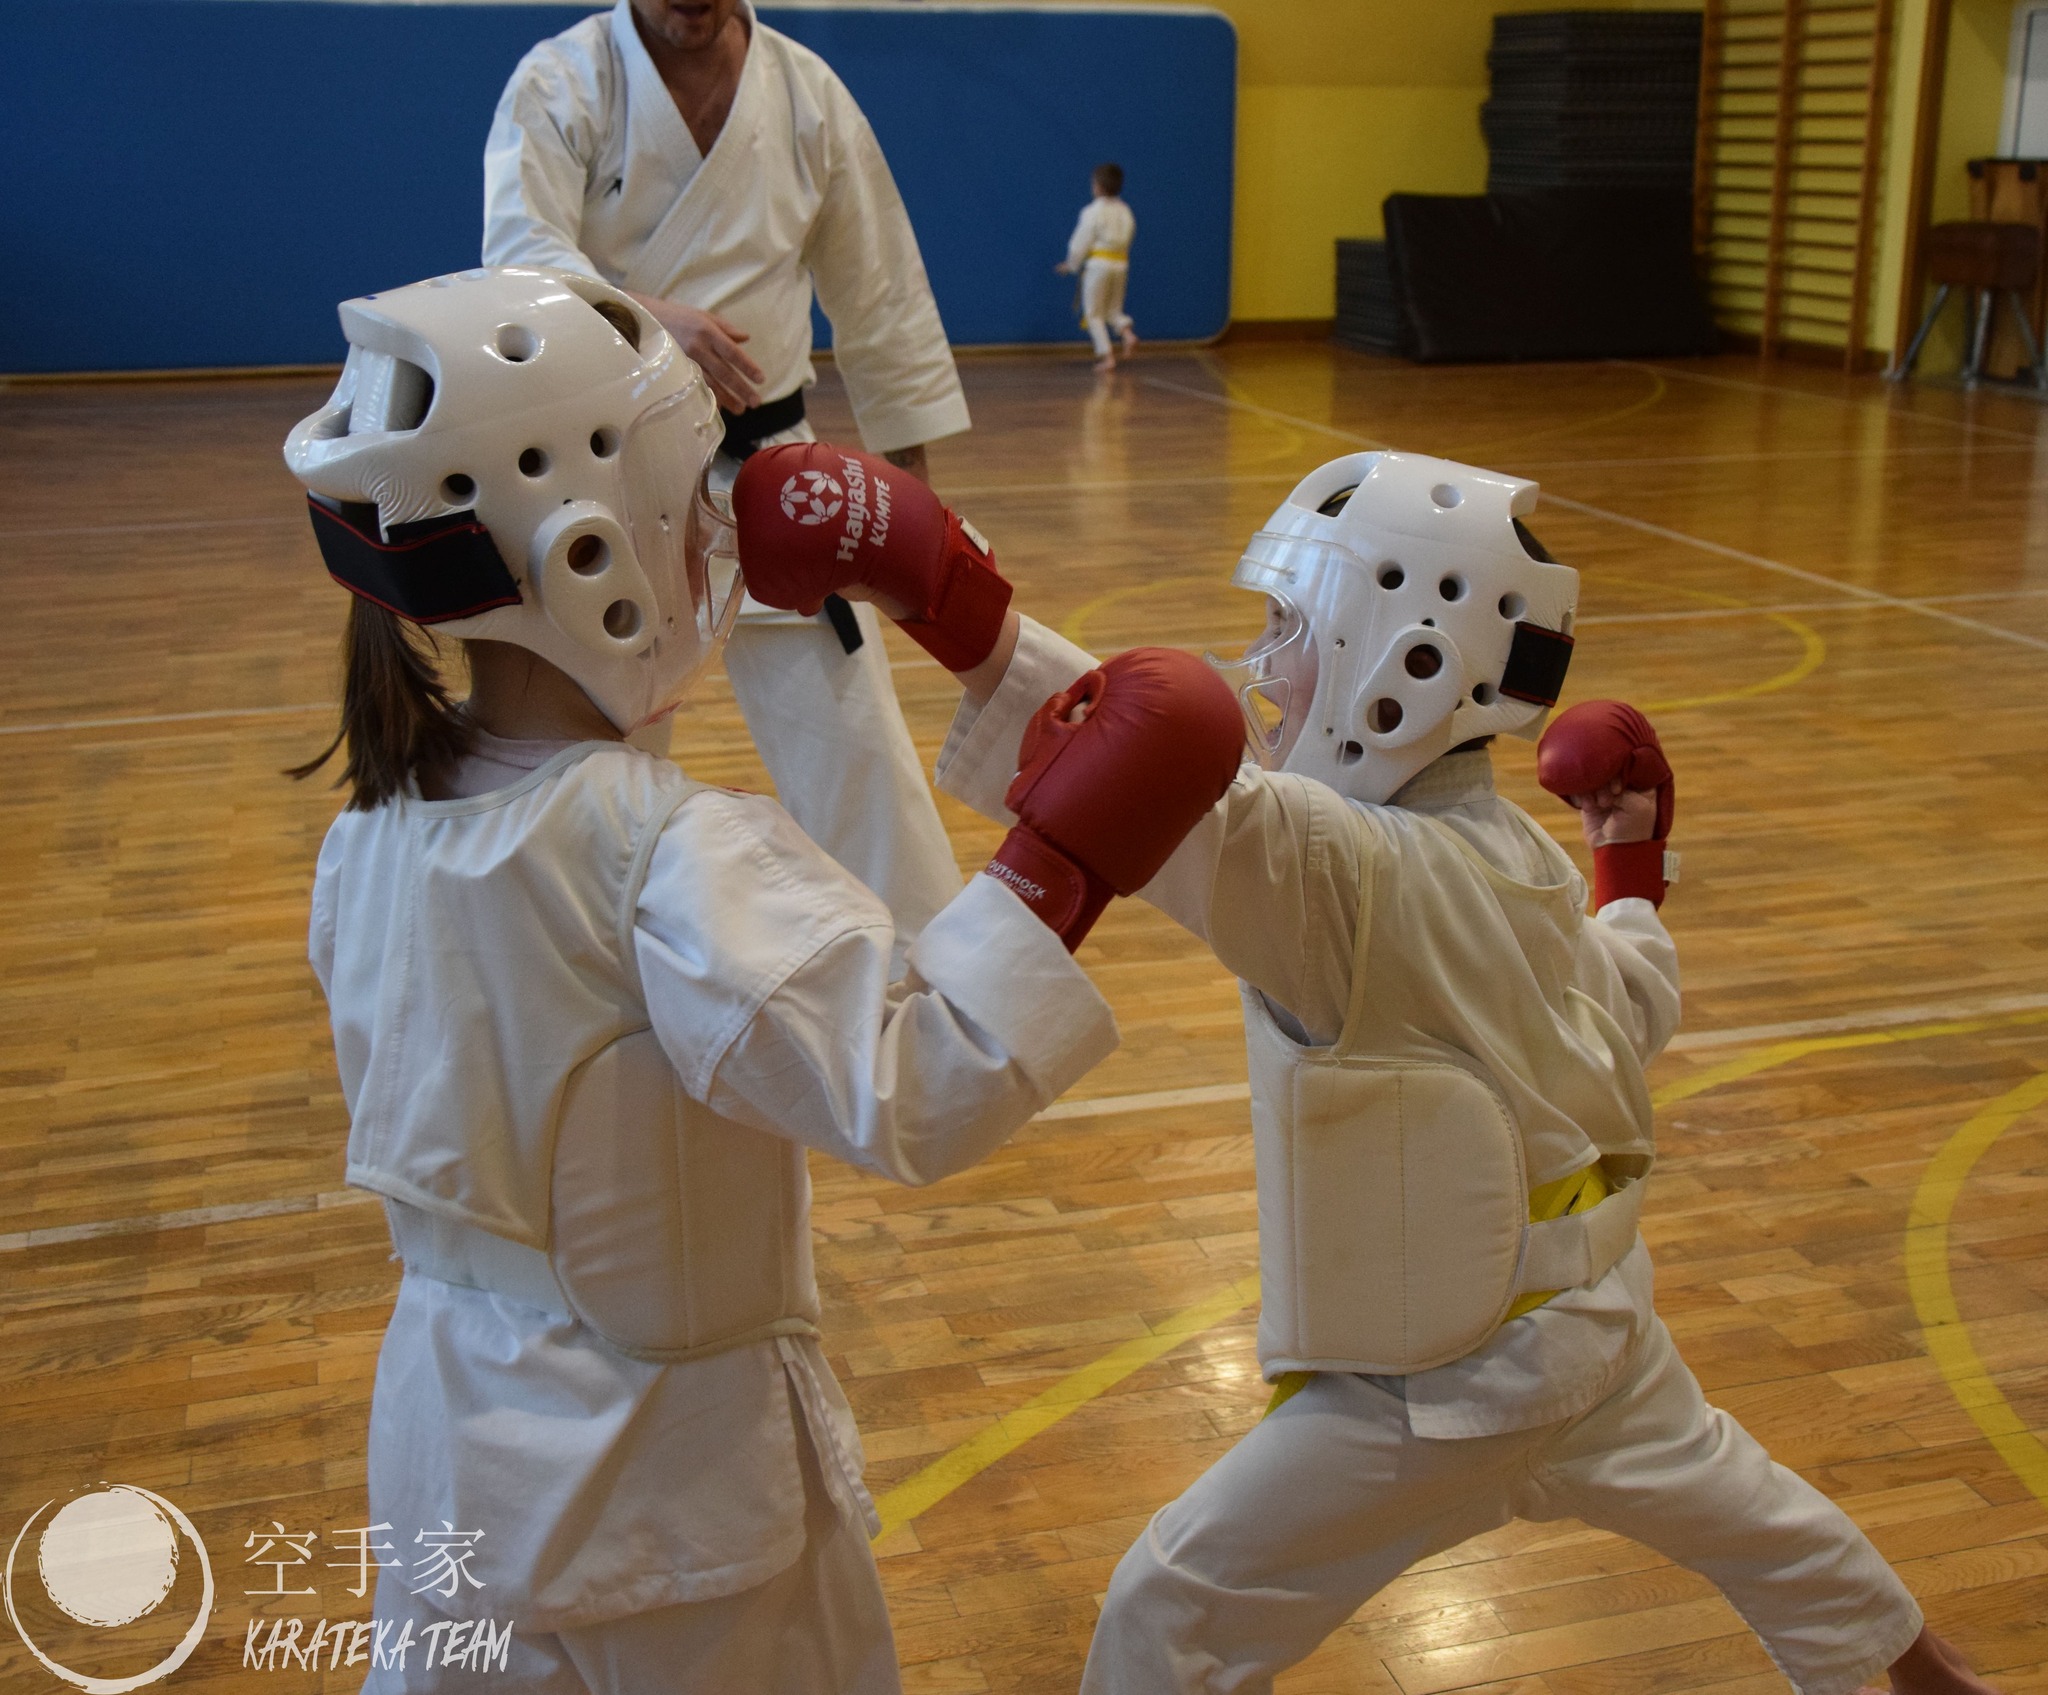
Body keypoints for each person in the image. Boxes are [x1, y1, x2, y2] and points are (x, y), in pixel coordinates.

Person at [731, 440, 2004, 1695]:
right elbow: (1631, 1004)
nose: (1262, 666)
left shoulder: (1344, 873)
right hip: (1606, 1339)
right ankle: (1927, 1677)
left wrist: (956, 602)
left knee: (1170, 1610)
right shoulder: (1517, 855)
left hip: (1437, 1393)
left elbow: (1166, 767)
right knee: (1767, 1530)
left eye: (1287, 623)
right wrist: (1627, 857)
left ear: (1403, 657)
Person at [283, 267, 1243, 1693]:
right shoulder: (668, 854)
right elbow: (926, 1082)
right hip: (672, 1509)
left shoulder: (366, 836)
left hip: (454, 1452)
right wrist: (1066, 854)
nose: (720, 546)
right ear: (597, 564)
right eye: (693, 516)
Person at [483, 0, 969, 950]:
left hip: (774, 473)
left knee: (858, 745)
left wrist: (909, 467)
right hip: (609, 472)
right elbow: (516, 255)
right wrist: (643, 315)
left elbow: (879, 282)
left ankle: (923, 970)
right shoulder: (563, 81)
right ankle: (579, 967)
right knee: (600, 751)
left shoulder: (805, 93)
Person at [1055, 164, 1137, 373]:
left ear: (1098, 187)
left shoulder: (1093, 212)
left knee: (1094, 313)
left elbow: (1080, 242)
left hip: (1099, 265)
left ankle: (1107, 355)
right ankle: (1127, 334)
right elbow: (1130, 235)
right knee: (1113, 310)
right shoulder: (1125, 210)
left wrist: (1071, 264)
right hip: (1120, 263)